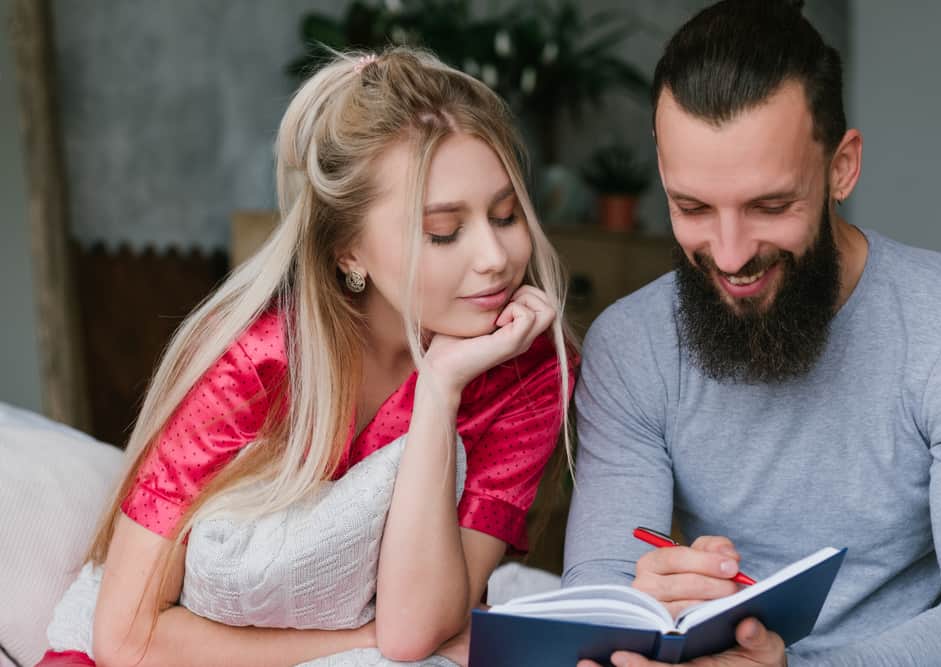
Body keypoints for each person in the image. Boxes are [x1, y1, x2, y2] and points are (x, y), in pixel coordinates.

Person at [37, 47, 576, 667]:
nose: (496, 257)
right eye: (442, 231)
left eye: (506, 215)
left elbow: (415, 631)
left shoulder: (527, 372)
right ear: (349, 251)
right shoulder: (259, 362)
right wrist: (354, 642)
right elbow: (127, 639)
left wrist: (440, 389)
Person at [563, 1, 941, 666]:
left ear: (842, 167)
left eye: (770, 206)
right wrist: (634, 602)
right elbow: (597, 584)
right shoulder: (632, 345)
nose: (731, 254)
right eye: (692, 207)